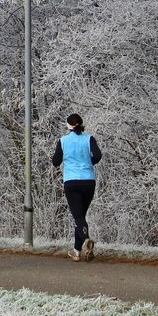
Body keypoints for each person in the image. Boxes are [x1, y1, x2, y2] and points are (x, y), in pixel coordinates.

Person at [52, 112, 102, 261]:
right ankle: (77, 251)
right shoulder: (89, 139)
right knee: (80, 217)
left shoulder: (63, 141)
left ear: (68, 126)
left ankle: (86, 240)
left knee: (78, 216)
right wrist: (88, 163)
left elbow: (55, 161)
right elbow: (98, 156)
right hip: (88, 181)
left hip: (71, 181)